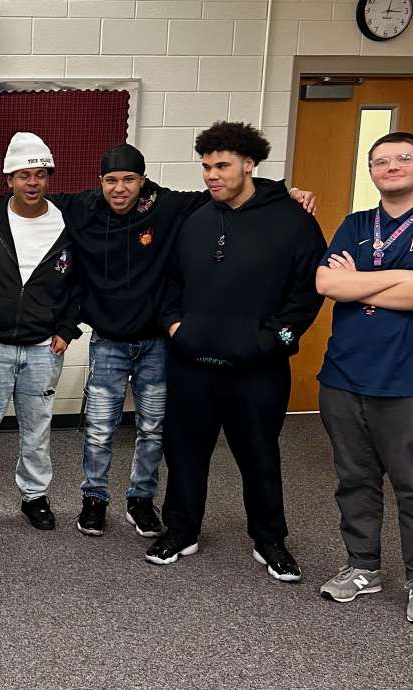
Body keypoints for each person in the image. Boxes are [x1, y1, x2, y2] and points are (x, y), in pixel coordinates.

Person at [0, 145, 315, 540]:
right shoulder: (83, 206)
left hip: (156, 345)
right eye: (111, 180)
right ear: (100, 182)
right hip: (108, 342)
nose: (120, 189)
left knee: (152, 429)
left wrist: (285, 191)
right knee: (98, 429)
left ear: (143, 180)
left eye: (129, 180)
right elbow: (30, 194)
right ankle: (94, 501)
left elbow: (228, 189)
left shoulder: (168, 205)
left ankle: (140, 501)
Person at [149, 121, 326, 583]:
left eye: (222, 165)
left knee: (259, 455)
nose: (212, 175)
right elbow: (170, 285)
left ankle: (270, 540)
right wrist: (176, 328)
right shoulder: (195, 219)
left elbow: (307, 296)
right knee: (184, 452)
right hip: (192, 364)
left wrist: (272, 342)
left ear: (249, 164)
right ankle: (181, 530)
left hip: (258, 370)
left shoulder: (292, 220)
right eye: (206, 166)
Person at [315, 131, 413, 627]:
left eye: (403, 158)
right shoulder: (356, 224)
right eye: (380, 160)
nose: (391, 166)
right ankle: (362, 567)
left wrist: (364, 284)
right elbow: (328, 283)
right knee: (355, 481)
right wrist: (403, 278)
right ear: (371, 171)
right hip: (344, 377)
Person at [0, 132, 79, 533]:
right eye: (24, 175)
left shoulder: (66, 222)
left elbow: (78, 283)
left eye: (40, 174)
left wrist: (67, 329)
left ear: (49, 177)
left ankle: (35, 498)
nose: (32, 182)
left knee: (37, 428)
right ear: (9, 180)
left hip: (43, 347)